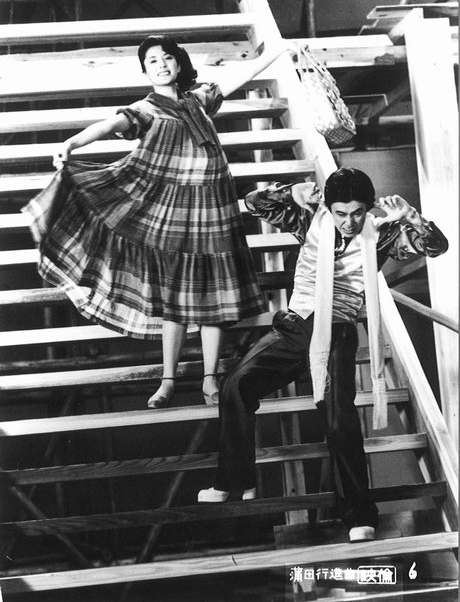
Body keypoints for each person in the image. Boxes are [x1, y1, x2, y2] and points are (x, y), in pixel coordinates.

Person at [23, 36, 285, 409]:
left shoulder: (198, 100)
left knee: (215, 299)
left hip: (215, 210)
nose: (161, 65)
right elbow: (109, 124)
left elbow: (238, 77)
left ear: (178, 63)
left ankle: (210, 380)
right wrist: (72, 143)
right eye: (152, 61)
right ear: (145, 70)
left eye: (167, 58)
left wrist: (278, 50)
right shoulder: (145, 108)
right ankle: (168, 381)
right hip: (176, 214)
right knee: (175, 298)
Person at [197, 167, 448, 543]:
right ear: (329, 209)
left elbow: (436, 247)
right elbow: (253, 202)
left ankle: (358, 515)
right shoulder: (308, 218)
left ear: (368, 208)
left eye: (357, 213)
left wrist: (412, 217)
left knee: (338, 420)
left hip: (337, 332)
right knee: (237, 384)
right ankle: (234, 480)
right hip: (296, 325)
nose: (349, 222)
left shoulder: (383, 233)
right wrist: (291, 191)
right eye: (341, 213)